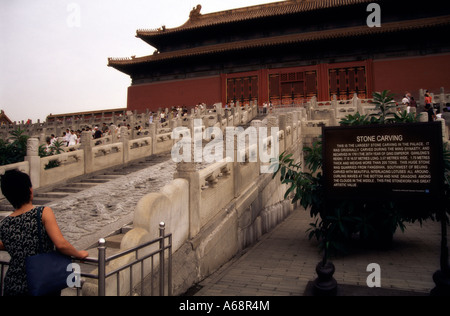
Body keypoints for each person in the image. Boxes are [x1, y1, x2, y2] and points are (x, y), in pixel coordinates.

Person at [0, 170, 88, 296]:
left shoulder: (5, 223)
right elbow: (61, 244)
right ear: (30, 190)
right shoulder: (42, 212)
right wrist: (78, 254)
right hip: (41, 282)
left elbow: (8, 243)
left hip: (13, 285)